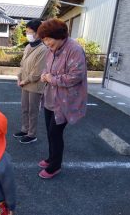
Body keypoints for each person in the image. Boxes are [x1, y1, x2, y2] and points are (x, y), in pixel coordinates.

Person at [37, 18, 87, 178]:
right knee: (50, 131)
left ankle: (55, 166)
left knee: (55, 133)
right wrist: (44, 75)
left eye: (48, 41)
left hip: (64, 101)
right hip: (50, 98)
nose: (47, 45)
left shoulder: (74, 49)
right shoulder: (52, 50)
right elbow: (47, 68)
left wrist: (51, 78)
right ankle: (52, 158)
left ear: (59, 36)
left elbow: (76, 76)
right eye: (44, 41)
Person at [13, 19, 47, 144]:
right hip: (25, 83)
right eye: (26, 31)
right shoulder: (28, 46)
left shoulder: (43, 49)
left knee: (32, 110)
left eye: (30, 32)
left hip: (34, 85)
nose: (28, 34)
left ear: (38, 33)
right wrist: (19, 77)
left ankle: (32, 134)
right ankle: (24, 129)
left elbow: (37, 72)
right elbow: (23, 64)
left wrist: (24, 81)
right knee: (24, 108)